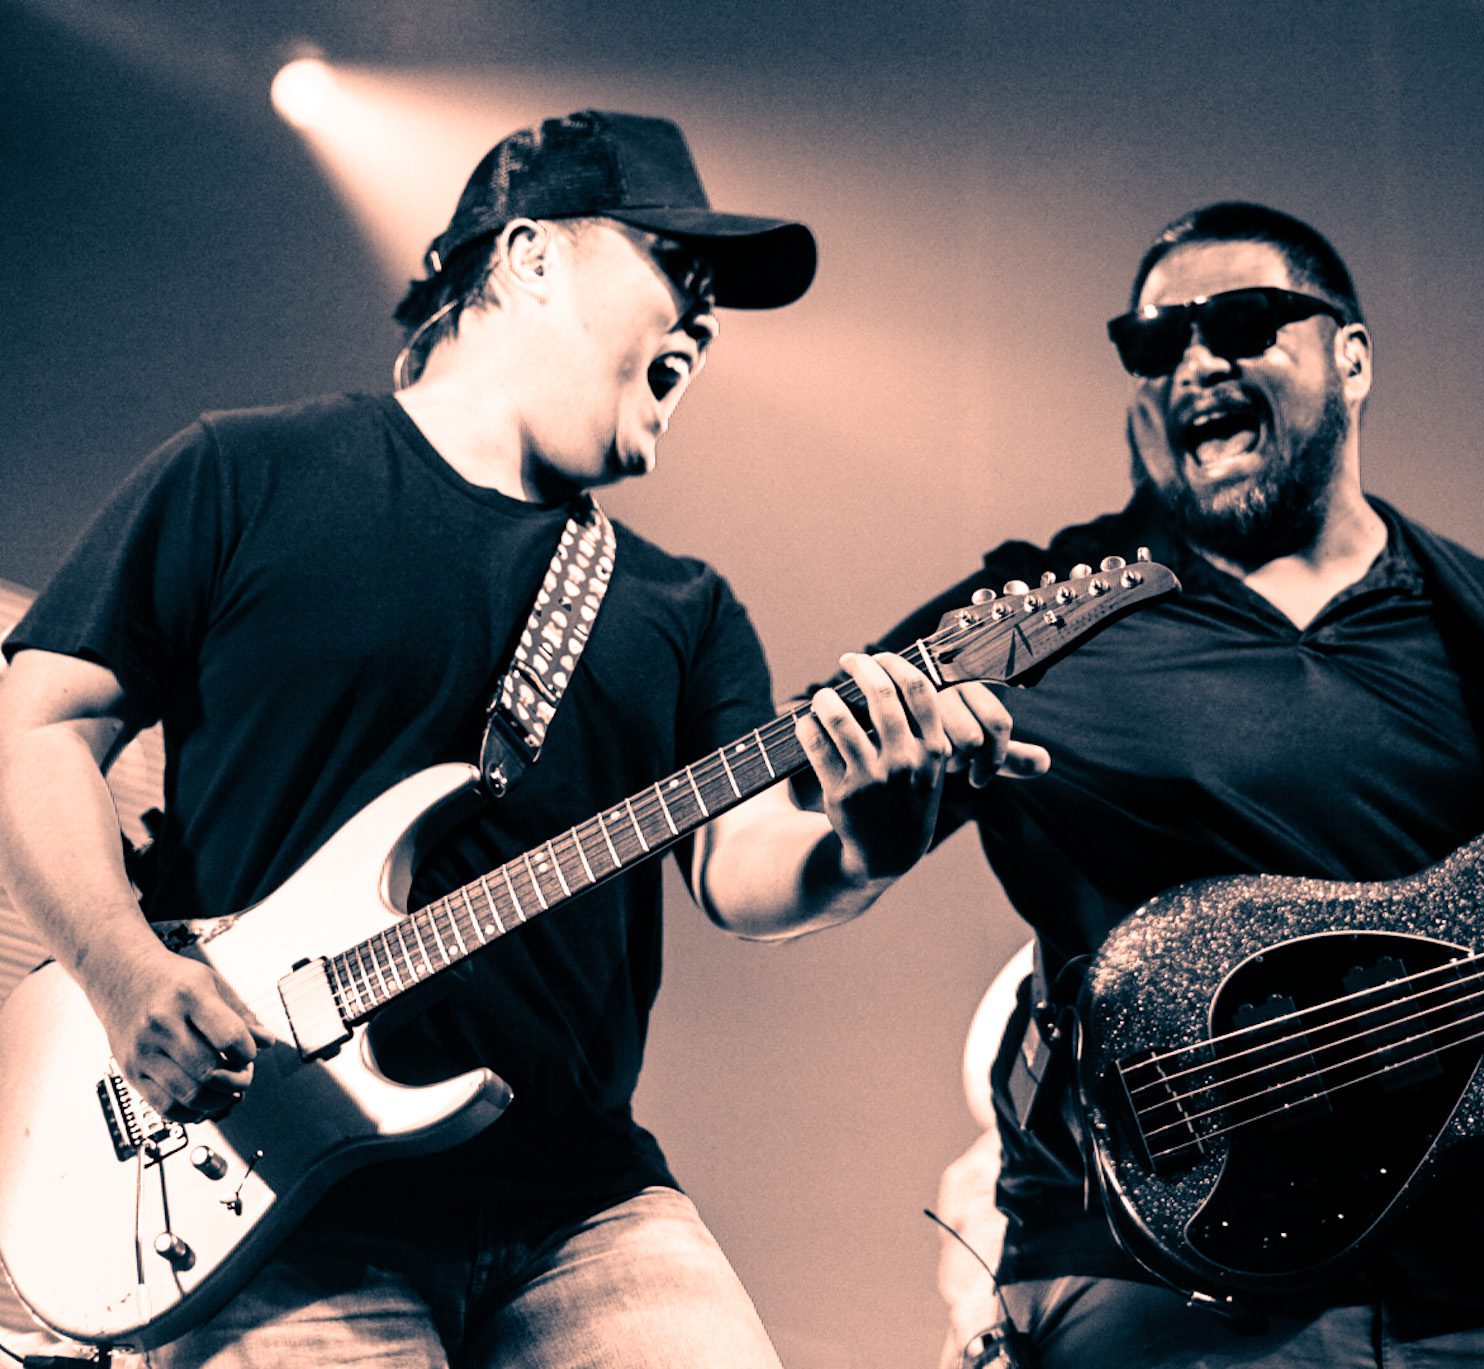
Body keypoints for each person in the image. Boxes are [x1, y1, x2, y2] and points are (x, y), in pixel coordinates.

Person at [706, 201, 1484, 1368]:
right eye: (1152, 343)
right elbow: (747, 845)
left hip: (1475, 1302)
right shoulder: (1039, 619)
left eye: (1240, 323)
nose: (1191, 363)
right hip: (1160, 1302)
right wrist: (861, 849)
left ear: (1351, 360)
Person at [0, 109, 1034, 1367]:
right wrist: (120, 972)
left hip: (581, 1201)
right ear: (531, 256)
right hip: (269, 1195)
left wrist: (866, 845)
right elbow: (40, 719)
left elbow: (744, 870)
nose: (705, 321)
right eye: (677, 267)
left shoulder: (682, 606)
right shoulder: (243, 472)